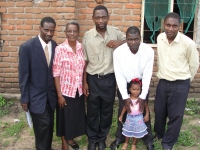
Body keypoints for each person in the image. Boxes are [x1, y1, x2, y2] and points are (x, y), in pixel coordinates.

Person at [82, 5, 126, 150]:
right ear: (93, 18)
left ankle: (102, 139)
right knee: (93, 111)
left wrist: (119, 43)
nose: (101, 20)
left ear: (108, 17)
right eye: (97, 17)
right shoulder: (88, 36)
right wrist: (85, 83)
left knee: (107, 111)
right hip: (93, 79)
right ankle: (92, 139)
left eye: (103, 17)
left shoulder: (116, 33)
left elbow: (133, 41)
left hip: (109, 79)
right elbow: (85, 61)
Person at [154, 12, 199, 150]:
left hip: (180, 83)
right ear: (164, 25)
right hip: (163, 82)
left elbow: (194, 65)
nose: (171, 29)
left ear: (180, 26)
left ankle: (168, 142)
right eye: (168, 25)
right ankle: (159, 134)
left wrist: (185, 81)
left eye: (174, 26)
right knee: (159, 111)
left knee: (176, 115)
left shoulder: (188, 43)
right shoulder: (160, 38)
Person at [111, 26, 155, 150]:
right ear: (126, 39)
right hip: (125, 84)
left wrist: (142, 96)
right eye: (130, 39)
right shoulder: (118, 52)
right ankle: (120, 137)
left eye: (136, 39)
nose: (133, 42)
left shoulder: (148, 51)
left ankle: (148, 139)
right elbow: (119, 76)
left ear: (140, 38)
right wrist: (125, 97)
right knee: (123, 110)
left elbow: (147, 75)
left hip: (141, 85)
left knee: (143, 110)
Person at [18, 17, 57, 150]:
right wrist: (24, 98)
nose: (49, 33)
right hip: (35, 96)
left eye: (52, 31)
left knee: (49, 125)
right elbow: (23, 75)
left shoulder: (55, 45)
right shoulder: (27, 47)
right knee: (42, 126)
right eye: (46, 30)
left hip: (51, 96)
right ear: (40, 28)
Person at [52, 21, 86, 150]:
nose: (72, 33)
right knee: (63, 117)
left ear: (78, 33)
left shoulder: (81, 47)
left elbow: (84, 68)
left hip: (78, 90)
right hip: (65, 91)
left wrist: (84, 84)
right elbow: (56, 73)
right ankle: (64, 142)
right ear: (65, 32)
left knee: (74, 116)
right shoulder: (60, 49)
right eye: (69, 31)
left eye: (75, 31)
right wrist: (59, 95)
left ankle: (70, 137)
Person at [119, 79, 149, 150]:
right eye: (133, 89)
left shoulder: (141, 98)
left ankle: (133, 144)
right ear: (129, 89)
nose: (136, 91)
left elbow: (146, 106)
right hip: (129, 117)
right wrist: (121, 115)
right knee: (128, 130)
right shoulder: (128, 98)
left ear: (140, 89)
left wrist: (147, 114)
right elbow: (125, 107)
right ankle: (126, 142)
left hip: (139, 118)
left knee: (137, 131)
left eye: (138, 89)